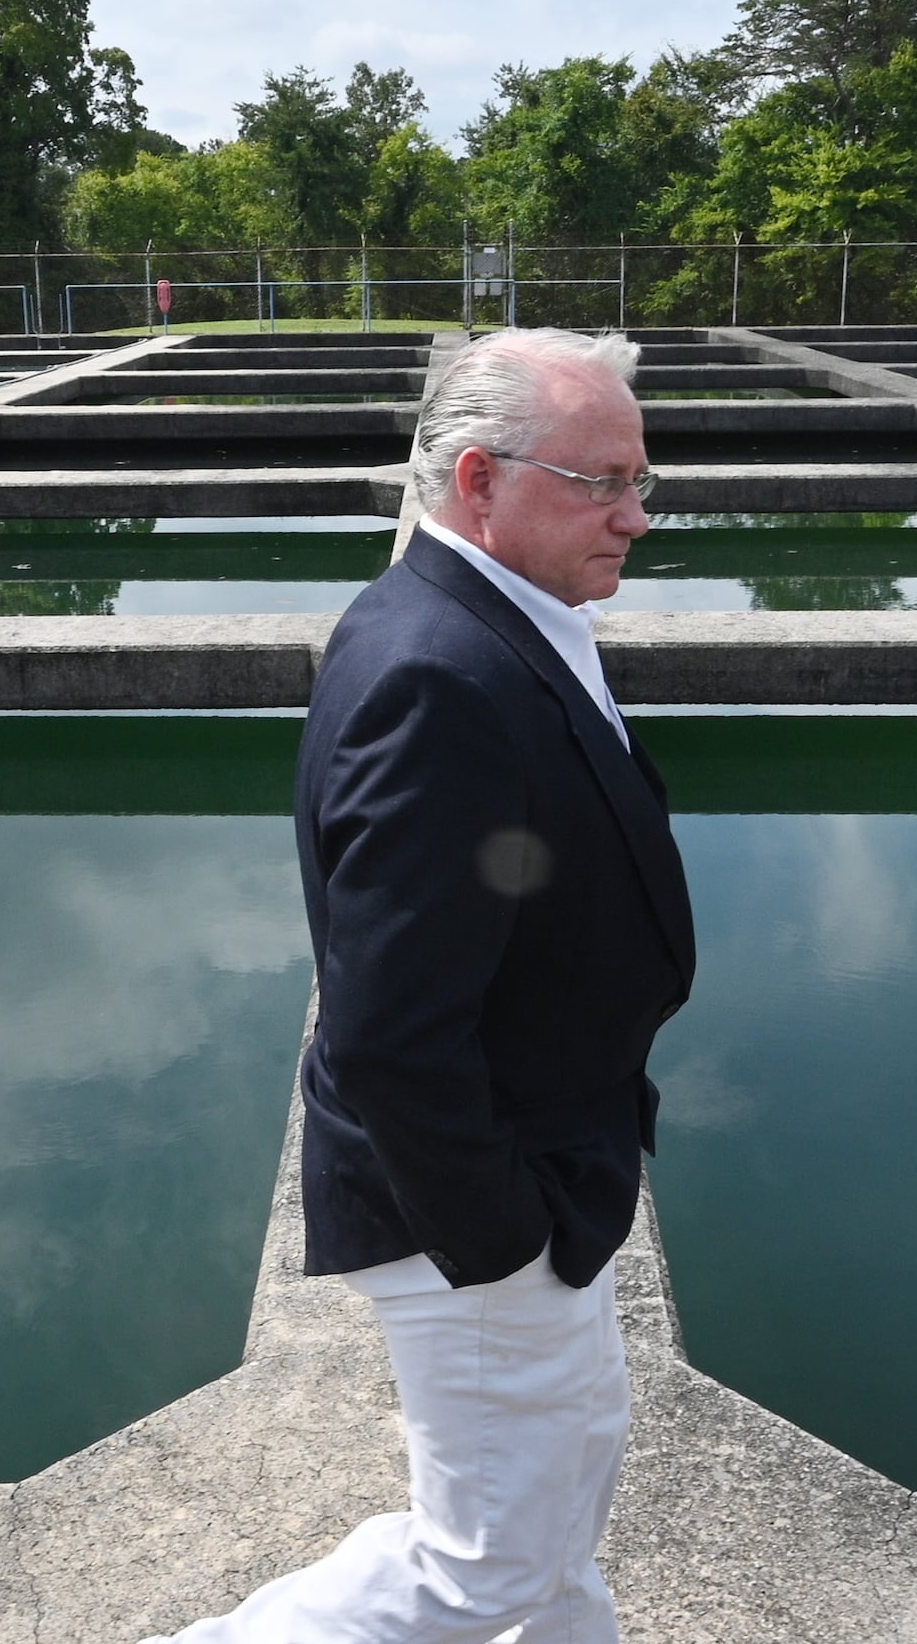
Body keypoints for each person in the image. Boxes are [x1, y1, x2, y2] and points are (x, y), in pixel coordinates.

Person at [156, 328, 697, 1644]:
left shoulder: (502, 613)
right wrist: (501, 1245)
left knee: (557, 1501)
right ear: (478, 481)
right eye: (601, 482)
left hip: (546, 1173)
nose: (635, 515)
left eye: (644, 477)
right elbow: (392, 1032)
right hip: (479, 1214)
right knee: (482, 1568)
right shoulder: (434, 676)